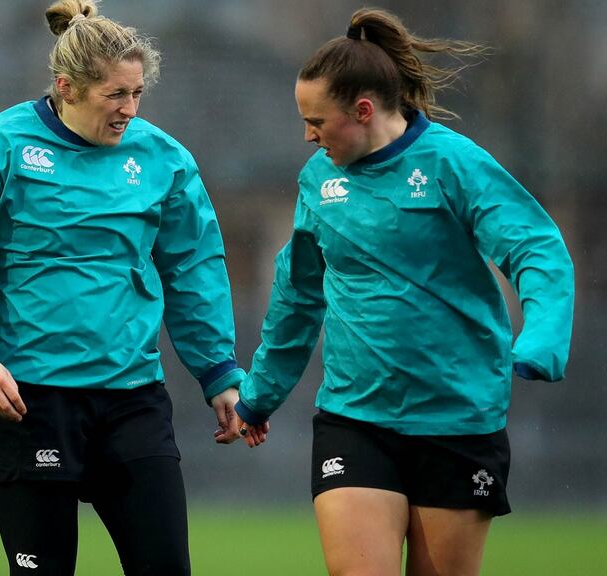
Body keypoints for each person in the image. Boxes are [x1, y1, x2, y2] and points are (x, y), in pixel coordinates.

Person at [223, 7, 575, 576]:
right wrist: (259, 395)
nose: (308, 135)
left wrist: (544, 334)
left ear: (363, 110)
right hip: (354, 418)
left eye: (317, 120)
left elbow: (534, 247)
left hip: (458, 420)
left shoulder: (452, 163)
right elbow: (297, 296)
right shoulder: (318, 180)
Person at [0, 1, 245, 573]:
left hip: (132, 397)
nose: (129, 109)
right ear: (67, 88)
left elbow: (193, 267)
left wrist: (219, 372)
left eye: (137, 93)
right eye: (115, 94)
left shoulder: (163, 157)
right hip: (28, 397)